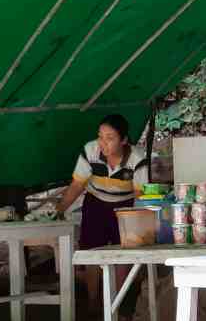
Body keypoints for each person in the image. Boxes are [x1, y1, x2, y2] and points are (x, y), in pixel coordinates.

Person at [54, 114, 148, 307]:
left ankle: (117, 303)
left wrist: (138, 226)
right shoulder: (90, 151)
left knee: (123, 253)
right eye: (100, 136)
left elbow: (140, 196)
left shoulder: (138, 159)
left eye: (110, 138)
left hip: (125, 206)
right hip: (95, 203)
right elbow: (76, 185)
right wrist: (59, 210)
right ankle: (93, 301)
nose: (103, 143)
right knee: (91, 249)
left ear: (123, 140)